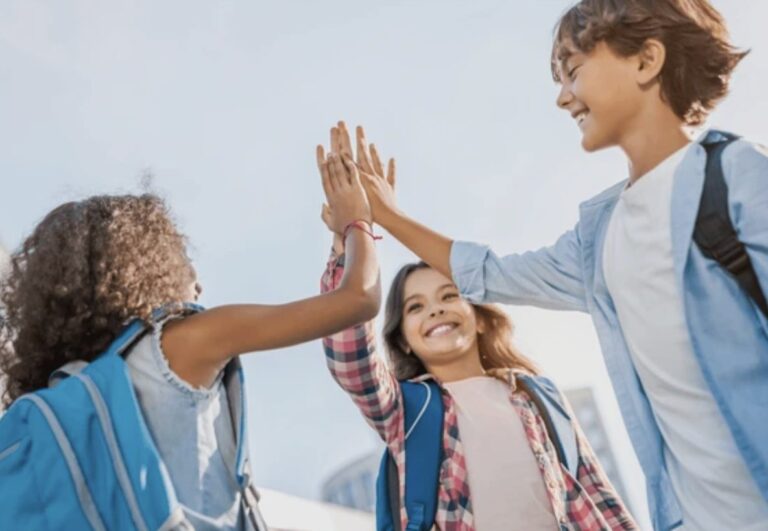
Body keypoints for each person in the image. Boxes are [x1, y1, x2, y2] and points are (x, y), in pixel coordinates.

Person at [330, 1, 768, 529]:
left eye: (574, 71)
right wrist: (382, 220)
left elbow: (589, 497)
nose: (563, 97)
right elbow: (488, 271)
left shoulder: (740, 177)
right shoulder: (597, 241)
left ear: (646, 61)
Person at [0, 151, 378, 530]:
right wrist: (357, 221)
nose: (198, 282)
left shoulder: (76, 398)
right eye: (182, 259)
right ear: (149, 266)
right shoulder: (181, 343)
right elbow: (359, 299)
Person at [317, 139, 637, 530]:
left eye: (449, 295)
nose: (435, 309)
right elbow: (352, 360)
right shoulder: (408, 409)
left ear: (481, 316)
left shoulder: (539, 398)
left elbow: (596, 496)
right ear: (402, 339)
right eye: (415, 307)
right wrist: (352, 236)